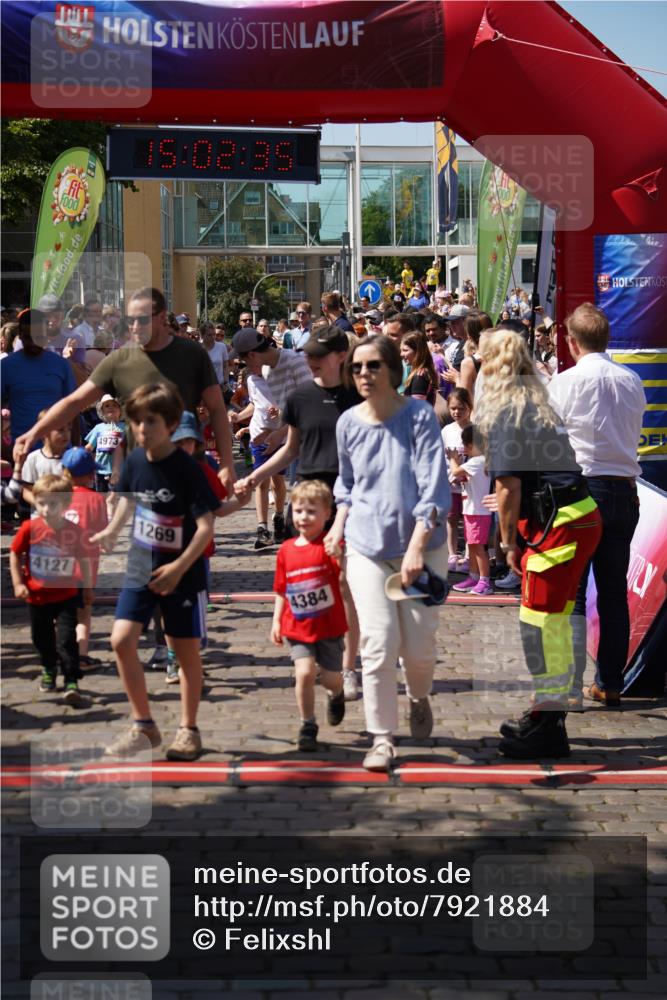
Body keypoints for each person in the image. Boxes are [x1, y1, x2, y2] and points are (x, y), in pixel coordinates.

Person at [475, 329, 602, 757]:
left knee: (539, 627)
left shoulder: (508, 410)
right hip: (577, 517)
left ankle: (548, 726)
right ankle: (547, 713)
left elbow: (508, 485)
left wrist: (508, 543)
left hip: (559, 526)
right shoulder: (535, 400)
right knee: (554, 624)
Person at [326, 335, 450, 772]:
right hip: (367, 548)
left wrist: (417, 546)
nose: (364, 374)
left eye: (373, 365)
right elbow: (347, 485)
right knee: (377, 644)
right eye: (357, 367)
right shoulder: (347, 423)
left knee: (417, 649)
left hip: (422, 547)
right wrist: (339, 526)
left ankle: (419, 696)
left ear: (392, 369)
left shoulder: (419, 416)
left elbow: (434, 487)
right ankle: (381, 738)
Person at [90, 382, 221, 762]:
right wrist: (111, 531)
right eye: (136, 422)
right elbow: (128, 505)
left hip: (183, 571)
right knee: (120, 640)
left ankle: (188, 729)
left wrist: (180, 567)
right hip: (140, 565)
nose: (142, 429)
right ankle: (143, 725)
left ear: (171, 424)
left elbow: (206, 526)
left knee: (185, 653)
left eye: (151, 422)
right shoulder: (133, 460)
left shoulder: (187, 469)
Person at [235, 324, 362, 700]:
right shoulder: (300, 397)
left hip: (350, 499)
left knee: (344, 586)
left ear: (340, 356)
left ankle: (348, 667)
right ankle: (312, 657)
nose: (310, 361)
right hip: (308, 497)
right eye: (307, 354)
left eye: (317, 356)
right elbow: (290, 450)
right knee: (307, 582)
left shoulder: (360, 397)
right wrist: (254, 477)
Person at [13, 287, 236, 490]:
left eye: (142, 319)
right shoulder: (119, 360)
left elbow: (216, 409)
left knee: (195, 532)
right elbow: (74, 402)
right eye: (130, 320)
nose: (135, 326)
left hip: (187, 469)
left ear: (161, 318)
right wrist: (33, 434)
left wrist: (227, 464)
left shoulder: (192, 354)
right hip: (142, 474)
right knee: (152, 534)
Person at [548, 303, 645, 708]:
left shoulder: (565, 383)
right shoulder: (632, 379)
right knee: (612, 593)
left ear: (572, 342)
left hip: (581, 489)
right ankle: (610, 683)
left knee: (570, 592)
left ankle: (570, 686)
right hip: (623, 489)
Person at [271, 480, 347, 751]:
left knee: (331, 678)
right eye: (299, 511)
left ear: (328, 514)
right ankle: (308, 723)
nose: (304, 517)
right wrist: (276, 620)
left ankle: (336, 695)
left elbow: (345, 582)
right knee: (303, 673)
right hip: (298, 626)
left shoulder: (331, 546)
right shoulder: (287, 549)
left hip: (329, 626)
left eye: (312, 511)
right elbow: (282, 589)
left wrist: (340, 558)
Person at [10, 471, 92, 706]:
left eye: (53, 504)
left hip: (66, 593)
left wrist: (87, 588)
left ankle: (71, 679)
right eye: (42, 504)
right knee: (42, 638)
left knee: (67, 638)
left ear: (66, 504)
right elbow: (15, 554)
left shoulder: (73, 531)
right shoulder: (29, 528)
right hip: (37, 595)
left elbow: (84, 559)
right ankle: (48, 667)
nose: (47, 509)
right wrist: (18, 583)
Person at [61, 447, 108, 667]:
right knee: (83, 615)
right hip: (84, 569)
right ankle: (80, 656)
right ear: (90, 475)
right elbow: (103, 536)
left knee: (60, 615)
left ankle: (61, 654)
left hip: (58, 567)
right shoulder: (96, 499)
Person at [2, 309, 77, 446]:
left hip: (59, 450)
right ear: (20, 336)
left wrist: (76, 449)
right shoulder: (5, 367)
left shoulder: (61, 365)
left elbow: (73, 408)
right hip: (22, 450)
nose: (32, 343)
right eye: (27, 337)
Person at [447, 424, 493, 596]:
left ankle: (484, 580)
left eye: (466, 445)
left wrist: (453, 459)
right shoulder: (477, 462)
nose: (463, 448)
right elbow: (461, 477)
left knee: (479, 547)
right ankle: (474, 576)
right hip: (472, 510)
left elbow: (456, 471)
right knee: (472, 546)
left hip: (478, 511)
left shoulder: (477, 461)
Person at [441, 387, 473, 572]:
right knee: (451, 519)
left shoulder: (475, 429)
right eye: (453, 408)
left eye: (460, 408)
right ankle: (452, 554)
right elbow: (441, 458)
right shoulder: (446, 431)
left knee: (469, 520)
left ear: (469, 407)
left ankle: (469, 555)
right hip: (450, 484)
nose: (456, 412)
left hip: (470, 487)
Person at [20, 413, 71, 507]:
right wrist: (41, 505)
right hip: (40, 517)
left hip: (66, 516)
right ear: (44, 432)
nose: (66, 434)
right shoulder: (33, 459)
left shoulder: (72, 458)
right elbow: (27, 491)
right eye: (61, 430)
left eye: (69, 429)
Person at [84, 394, 126, 494]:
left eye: (114, 405)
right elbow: (89, 447)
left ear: (120, 410)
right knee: (101, 498)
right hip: (100, 472)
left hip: (120, 471)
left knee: (118, 498)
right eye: (107, 406)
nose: (110, 408)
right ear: (101, 411)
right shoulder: (98, 428)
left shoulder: (125, 427)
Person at [400, 331, 439, 404]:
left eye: (405, 350)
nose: (401, 354)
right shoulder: (421, 372)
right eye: (401, 350)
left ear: (418, 352)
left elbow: (417, 408)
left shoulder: (419, 376)